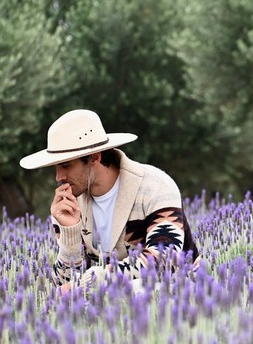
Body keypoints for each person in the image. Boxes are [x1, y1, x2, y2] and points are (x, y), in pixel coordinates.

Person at [20, 109, 200, 293]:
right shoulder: (68, 204)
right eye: (56, 168)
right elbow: (64, 287)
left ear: (94, 158)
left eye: (66, 165)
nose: (59, 176)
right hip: (101, 303)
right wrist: (70, 238)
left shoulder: (155, 187)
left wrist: (93, 280)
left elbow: (164, 261)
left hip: (178, 298)